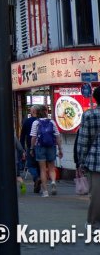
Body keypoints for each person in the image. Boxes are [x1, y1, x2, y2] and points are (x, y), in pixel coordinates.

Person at [75, 86, 100, 227]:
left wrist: (80, 162)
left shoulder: (89, 115)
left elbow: (83, 141)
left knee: (96, 195)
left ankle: (94, 222)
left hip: (95, 161)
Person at [30, 105, 63, 197]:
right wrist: (60, 149)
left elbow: (33, 137)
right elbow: (57, 136)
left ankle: (45, 192)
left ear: (37, 113)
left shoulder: (35, 123)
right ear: (45, 112)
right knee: (51, 167)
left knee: (43, 169)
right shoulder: (52, 122)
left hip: (40, 147)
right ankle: (53, 182)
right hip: (51, 146)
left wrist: (32, 148)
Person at [20, 107, 41, 193]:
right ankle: (38, 181)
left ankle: (36, 178)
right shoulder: (42, 121)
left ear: (32, 112)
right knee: (40, 165)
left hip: (30, 146)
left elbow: (22, 136)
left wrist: (22, 149)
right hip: (41, 146)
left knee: (30, 165)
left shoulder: (27, 121)